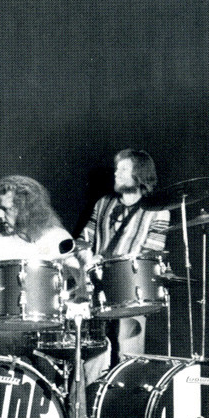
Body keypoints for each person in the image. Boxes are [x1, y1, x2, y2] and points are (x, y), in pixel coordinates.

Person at [0, 174, 85, 358]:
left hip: (55, 326)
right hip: (11, 328)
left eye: (5, 209)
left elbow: (81, 279)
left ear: (26, 209)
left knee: (97, 347)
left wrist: (82, 281)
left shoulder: (57, 236)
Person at [78, 148, 170, 367]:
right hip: (97, 290)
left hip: (131, 292)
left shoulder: (159, 211)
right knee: (92, 359)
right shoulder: (103, 203)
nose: (116, 173)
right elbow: (83, 241)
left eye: (123, 169)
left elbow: (151, 254)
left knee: (128, 360)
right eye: (116, 168)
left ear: (139, 175)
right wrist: (88, 258)